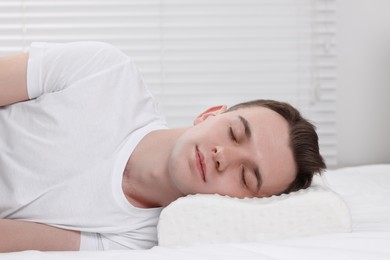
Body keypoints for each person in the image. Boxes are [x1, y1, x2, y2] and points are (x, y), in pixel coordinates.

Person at [0, 42, 326, 252]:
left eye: (245, 177)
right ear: (210, 114)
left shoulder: (136, 242)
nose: (222, 157)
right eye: (234, 133)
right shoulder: (106, 72)